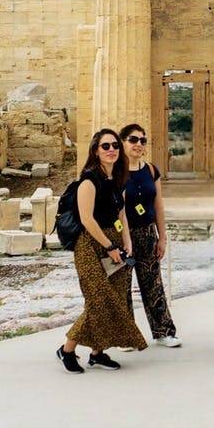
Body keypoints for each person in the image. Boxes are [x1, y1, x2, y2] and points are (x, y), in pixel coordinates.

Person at [57, 129, 147, 373]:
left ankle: (97, 353)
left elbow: (122, 213)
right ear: (96, 150)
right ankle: (67, 350)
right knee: (99, 300)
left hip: (115, 241)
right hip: (90, 244)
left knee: (114, 297)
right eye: (105, 146)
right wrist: (110, 247)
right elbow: (87, 219)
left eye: (115, 145)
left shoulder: (118, 179)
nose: (111, 150)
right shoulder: (88, 180)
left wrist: (126, 241)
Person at [119, 122, 181, 347]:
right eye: (133, 140)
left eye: (142, 141)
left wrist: (161, 237)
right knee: (123, 287)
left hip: (147, 233)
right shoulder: (115, 171)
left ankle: (164, 331)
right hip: (122, 236)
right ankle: (126, 336)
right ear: (123, 142)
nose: (138, 145)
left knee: (153, 283)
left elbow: (158, 205)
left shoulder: (151, 170)